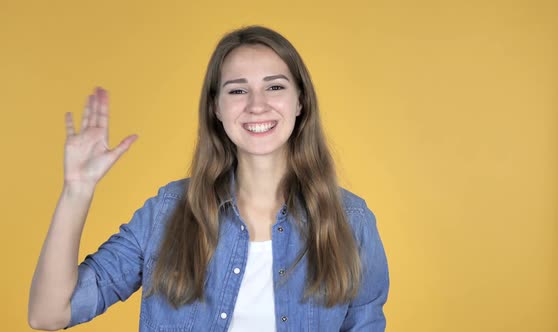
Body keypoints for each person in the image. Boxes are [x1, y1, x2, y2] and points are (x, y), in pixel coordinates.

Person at [28, 25, 389, 331]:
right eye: (237, 89)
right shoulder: (166, 214)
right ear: (215, 107)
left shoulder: (351, 222)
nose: (256, 103)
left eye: (275, 86)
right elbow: (48, 314)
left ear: (300, 102)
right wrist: (77, 192)